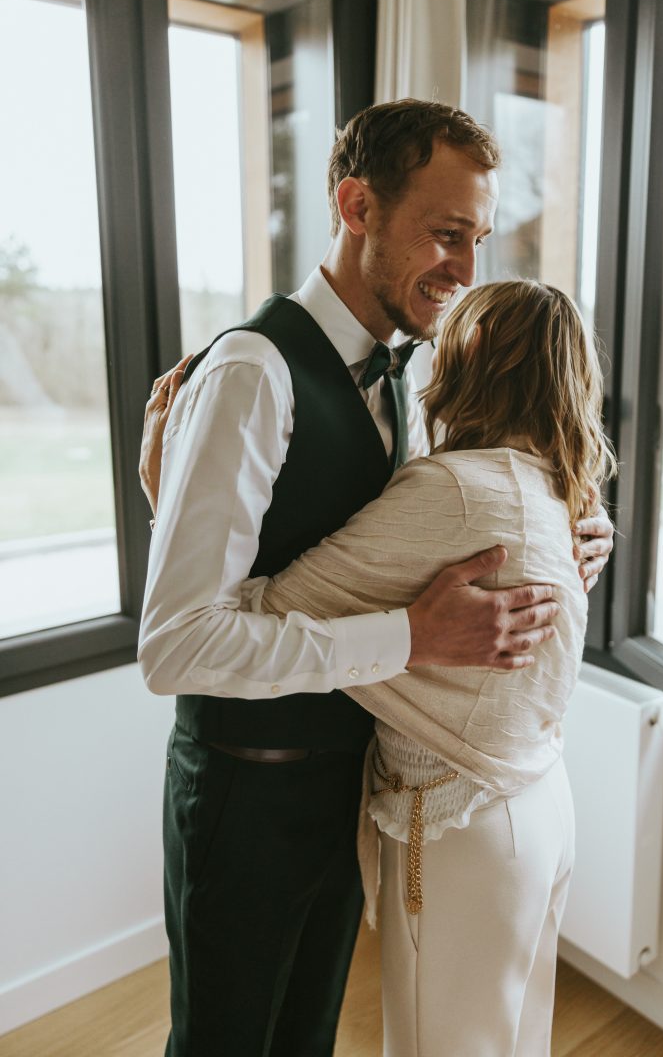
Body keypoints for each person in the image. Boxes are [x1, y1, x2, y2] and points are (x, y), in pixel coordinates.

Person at [138, 99, 614, 1057]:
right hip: (247, 796)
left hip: (352, 784)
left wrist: (573, 537)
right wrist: (413, 636)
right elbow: (176, 643)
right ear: (357, 206)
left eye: (477, 239)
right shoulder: (249, 374)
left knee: (307, 1037)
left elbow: (388, 537)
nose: (466, 271)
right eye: (445, 235)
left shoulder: (406, 377)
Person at [251, 278, 616, 1056]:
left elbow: (269, 609)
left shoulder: (453, 490)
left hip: (461, 828)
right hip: (539, 804)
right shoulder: (558, 490)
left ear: (473, 353)